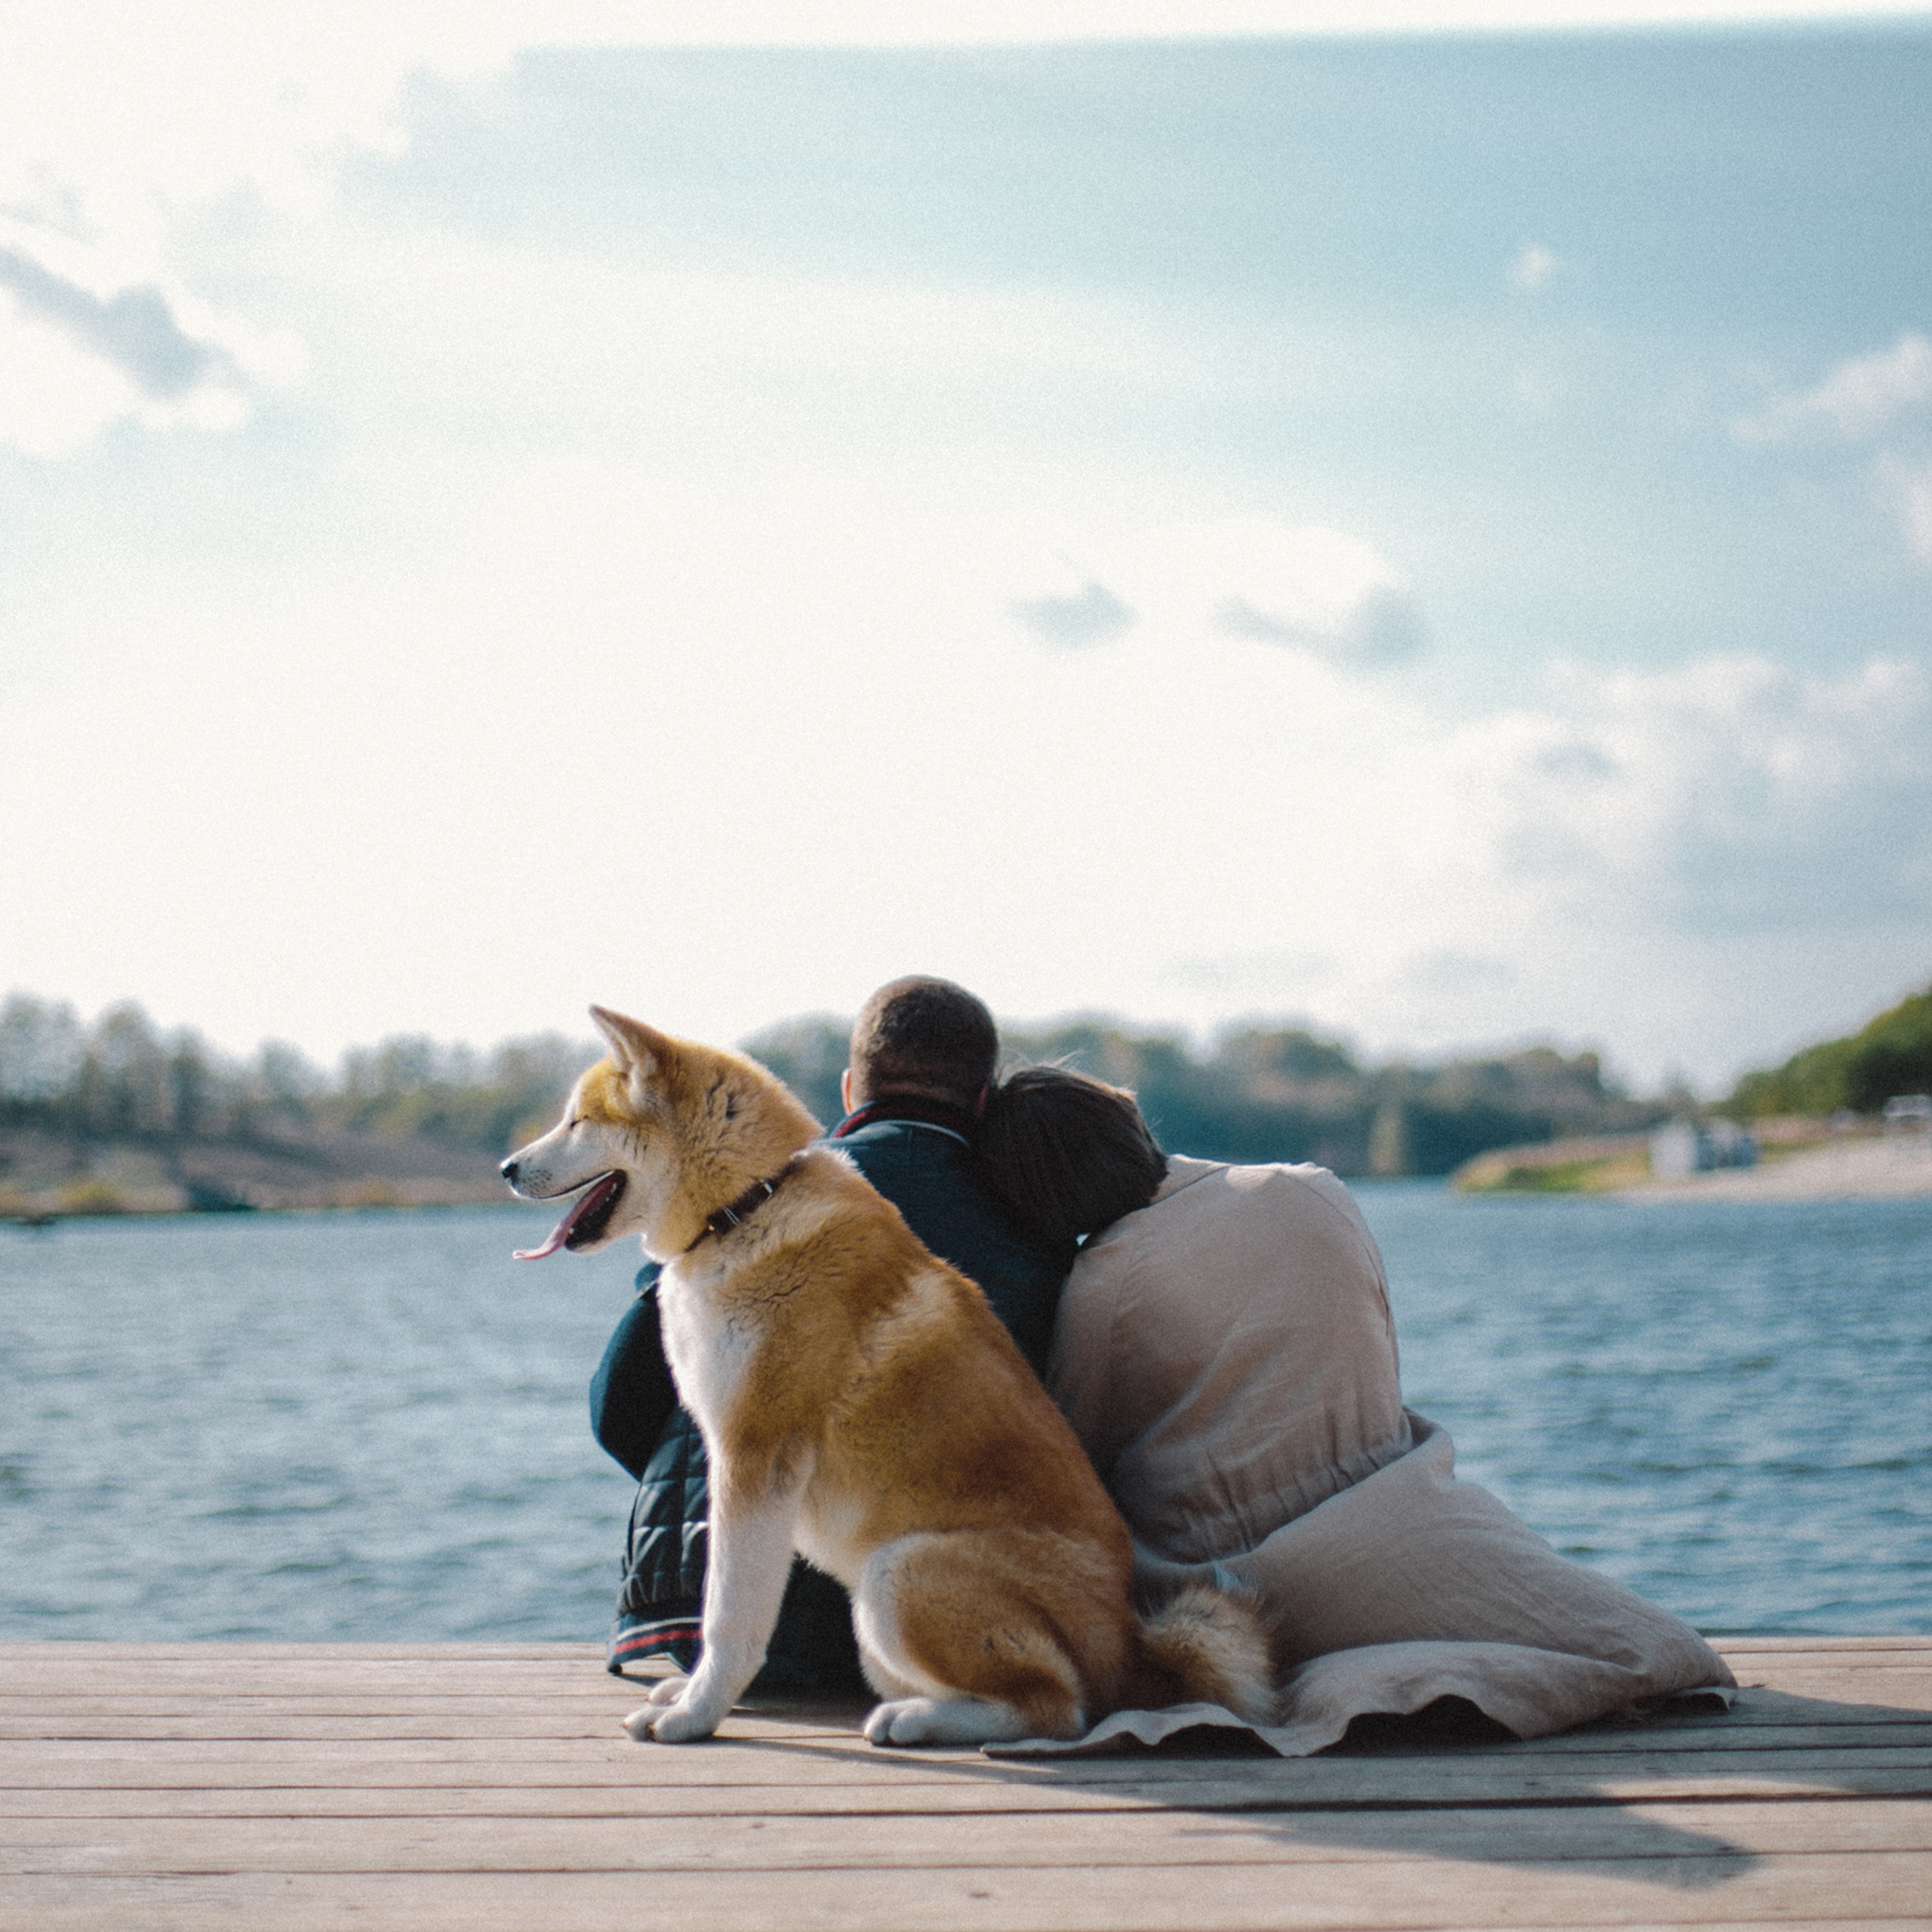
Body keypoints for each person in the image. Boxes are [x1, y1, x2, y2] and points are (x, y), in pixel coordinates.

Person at [975, 1064, 1737, 1754]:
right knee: (1644, 1646)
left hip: (1237, 1571)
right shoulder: (1314, 1189)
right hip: (1408, 1514)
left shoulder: (1100, 1284)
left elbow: (1077, 1457)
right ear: (1130, 1121)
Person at [587, 977, 1069, 1688]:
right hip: (947, 1643)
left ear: (849, 1093)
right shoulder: (1039, 1226)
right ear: (982, 1104)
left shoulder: (733, 1202)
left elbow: (618, 1412)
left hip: (709, 1633)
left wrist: (753, 1485)